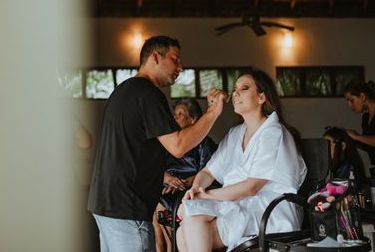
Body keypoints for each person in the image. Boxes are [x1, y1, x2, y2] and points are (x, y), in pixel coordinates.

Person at [87, 36, 226, 252]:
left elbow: (133, 152)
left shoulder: (123, 90)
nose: (180, 67)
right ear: (155, 56)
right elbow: (178, 146)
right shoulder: (148, 94)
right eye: (175, 59)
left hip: (105, 202)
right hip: (127, 207)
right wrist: (213, 112)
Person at [176, 69, 306, 252]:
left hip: (269, 210)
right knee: (184, 227)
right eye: (235, 89)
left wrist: (206, 196)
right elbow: (208, 172)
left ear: (261, 98)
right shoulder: (235, 134)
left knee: (192, 220)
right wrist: (195, 189)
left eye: (244, 88)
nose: (235, 93)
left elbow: (252, 187)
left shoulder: (273, 132)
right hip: (240, 205)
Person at [153, 98, 218, 252]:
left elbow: (209, 172)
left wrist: (185, 182)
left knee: (162, 204)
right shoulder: (170, 142)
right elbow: (154, 166)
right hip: (167, 186)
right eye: (174, 115)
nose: (175, 118)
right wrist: (168, 180)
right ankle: (164, 246)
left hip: (189, 188)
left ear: (194, 119)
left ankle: (170, 246)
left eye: (180, 114)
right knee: (153, 202)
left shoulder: (204, 143)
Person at [342, 80, 375, 165]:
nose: (349, 105)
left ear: (363, 97)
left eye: (351, 100)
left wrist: (357, 136)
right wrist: (350, 139)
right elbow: (368, 145)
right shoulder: (366, 117)